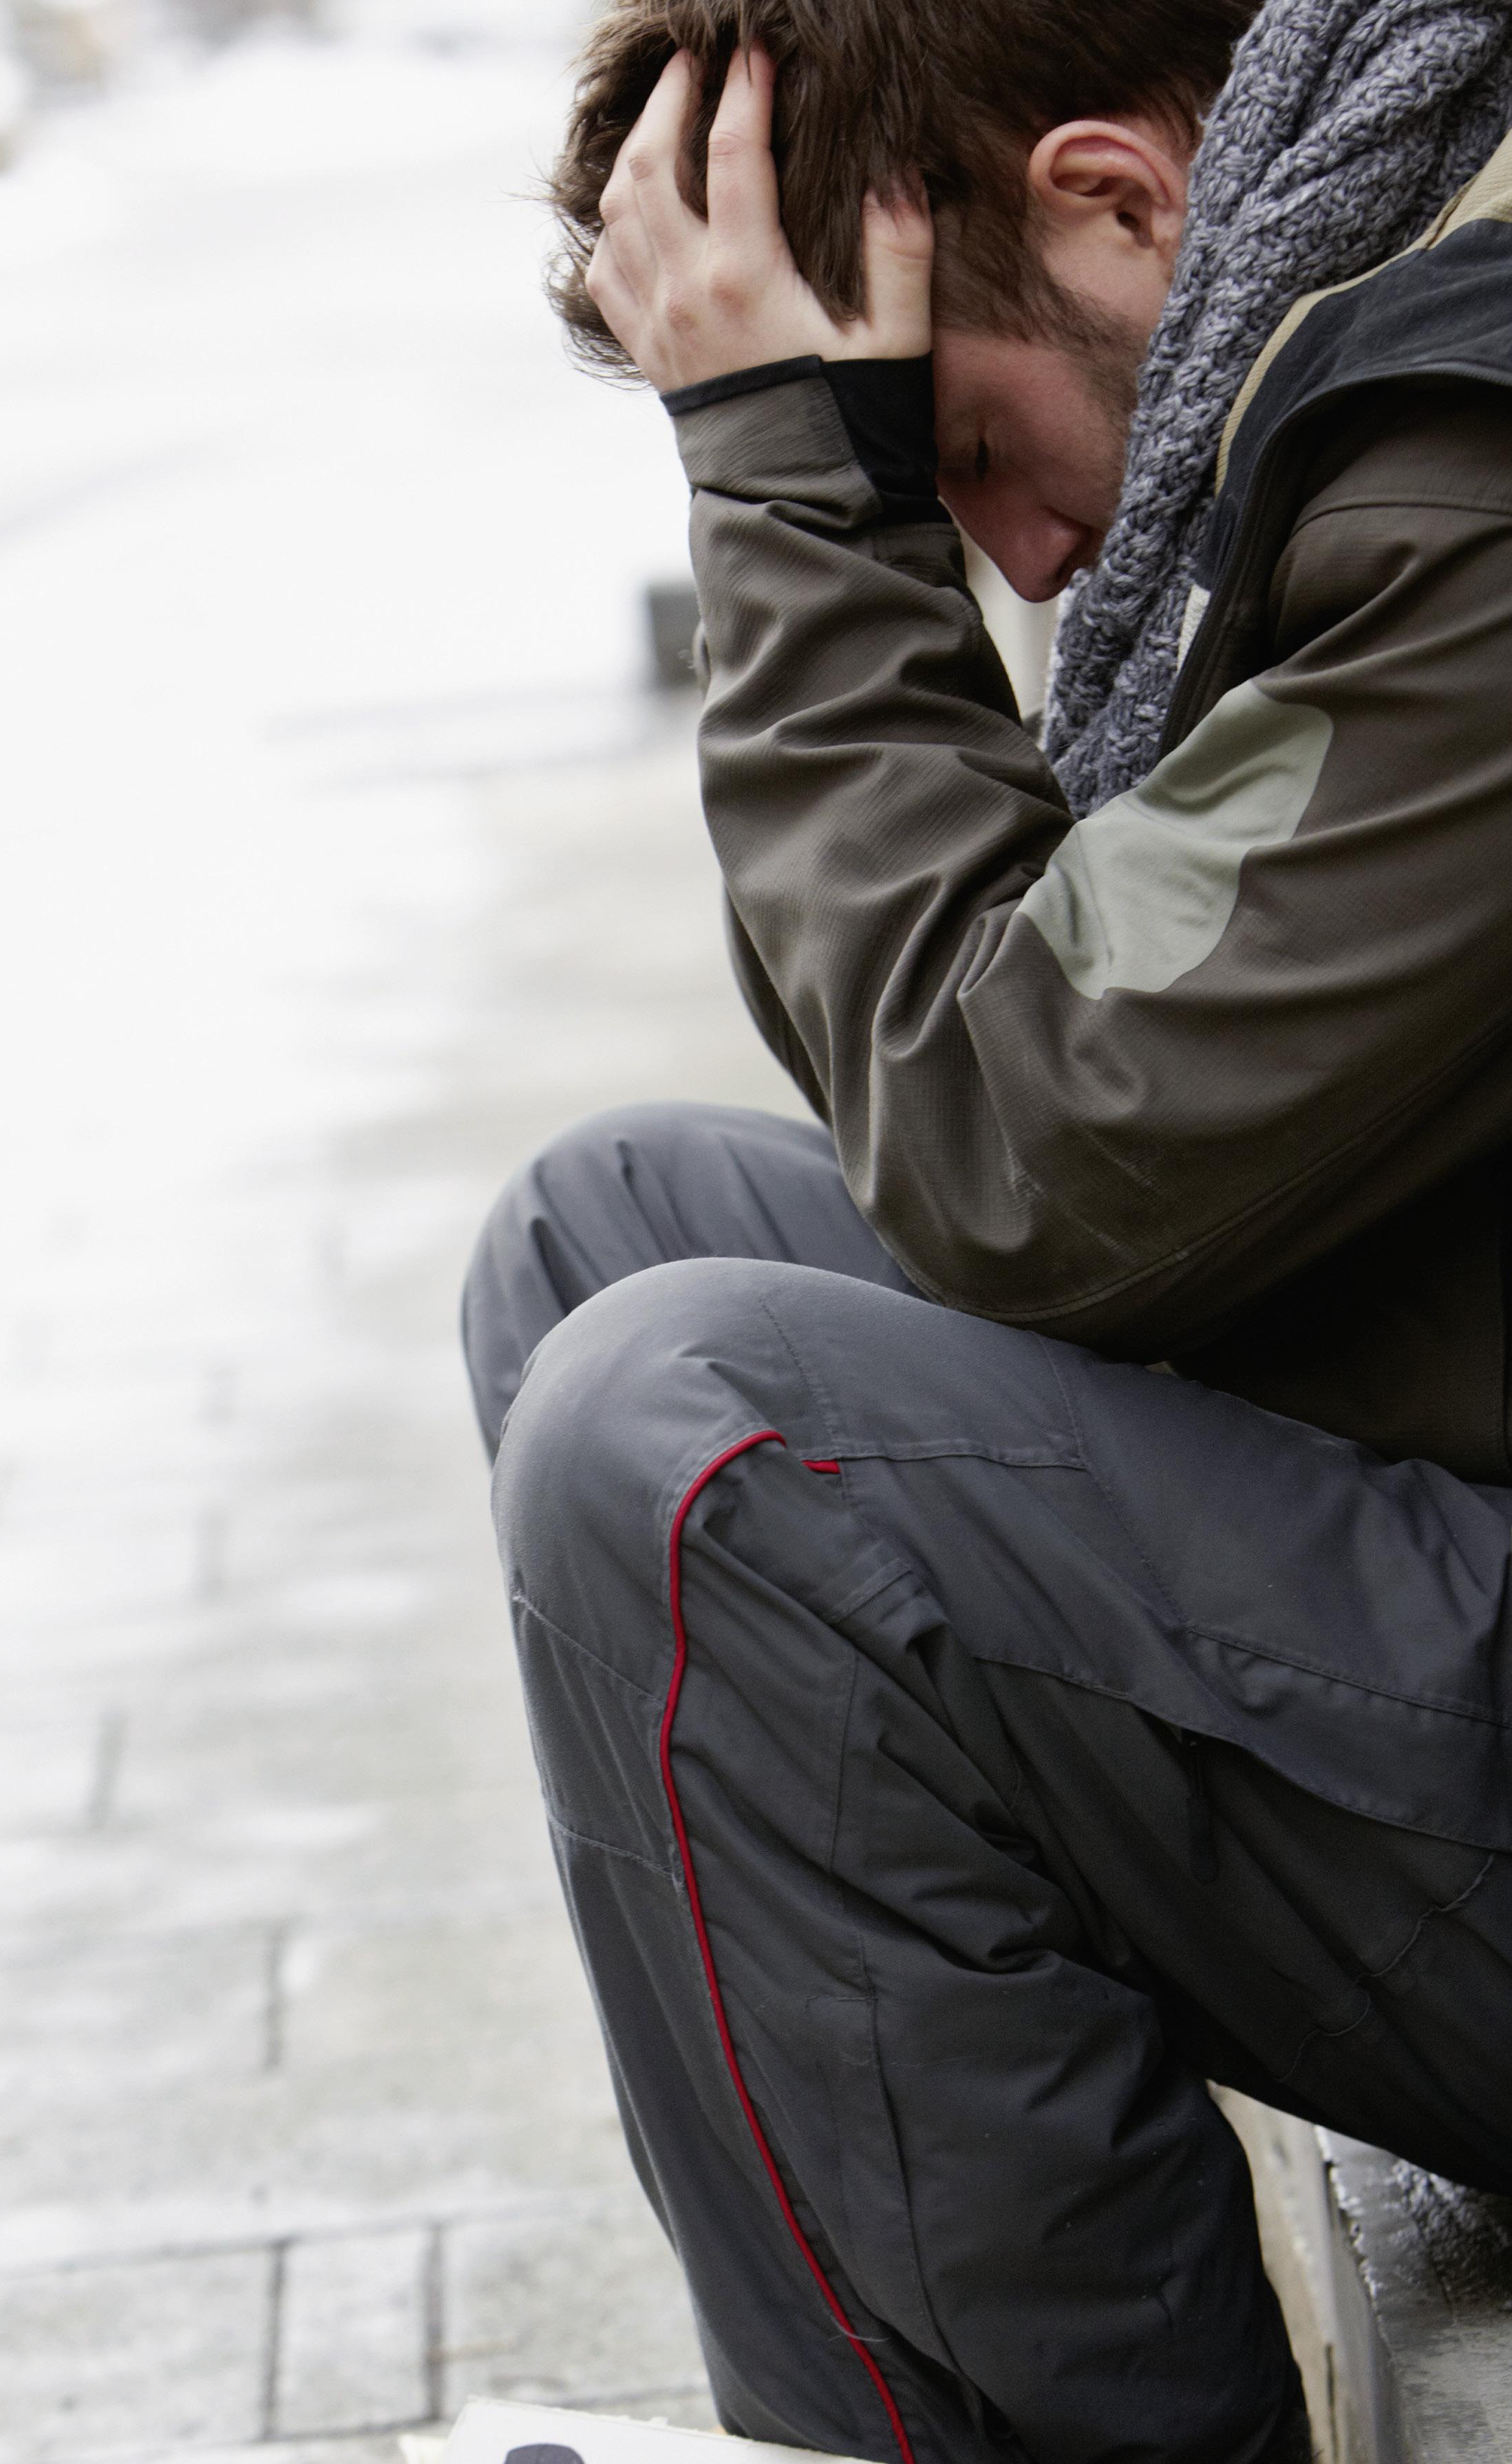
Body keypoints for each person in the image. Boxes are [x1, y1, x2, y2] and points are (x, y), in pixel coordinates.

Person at [461, 2, 1512, 2458]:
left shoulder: (1469, 456)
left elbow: (1013, 1143)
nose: (1024, 562)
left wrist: (791, 497)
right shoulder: (1355, 308)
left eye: (959, 458)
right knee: (606, 1233)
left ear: (1118, 201)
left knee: (704, 1452)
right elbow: (1017, 1094)